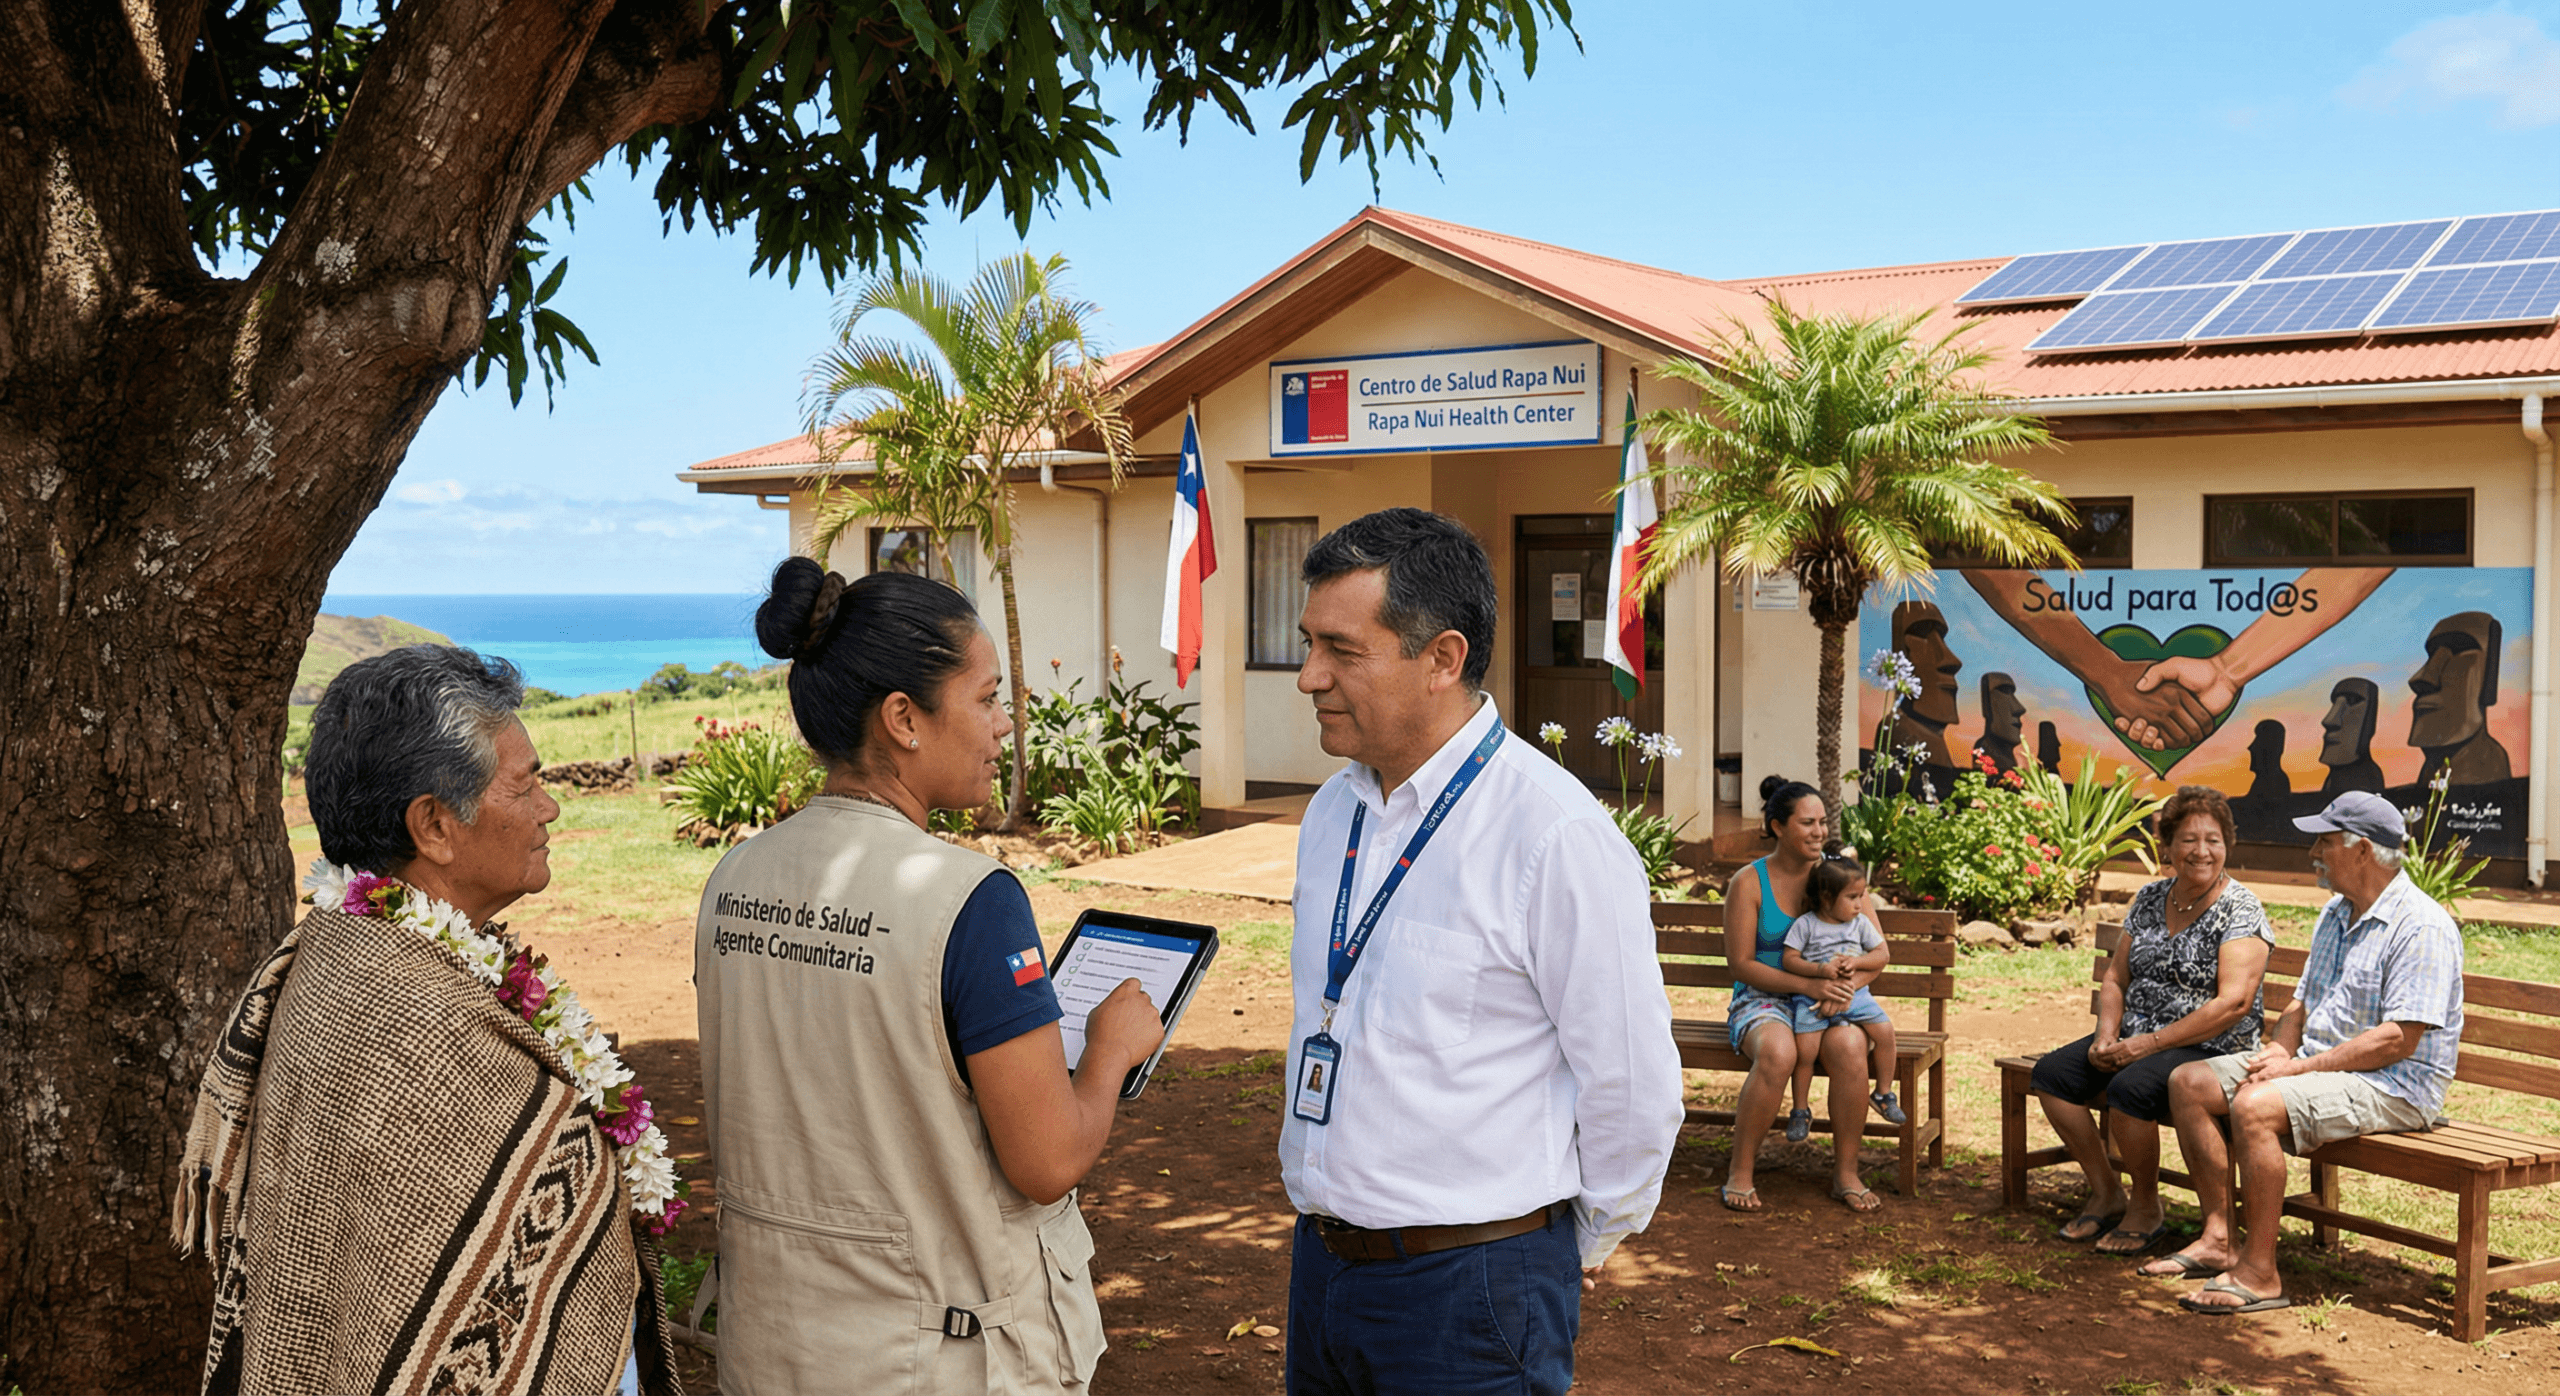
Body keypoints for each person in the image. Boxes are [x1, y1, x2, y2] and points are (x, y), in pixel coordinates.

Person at [695, 560, 1164, 1393]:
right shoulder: (969, 901)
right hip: (934, 1359)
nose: (1003, 728)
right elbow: (1048, 1159)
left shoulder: (735, 881)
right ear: (904, 719)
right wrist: (1109, 1052)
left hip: (774, 1350)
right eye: (985, 700)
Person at [176, 646, 680, 1396]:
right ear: (435, 826)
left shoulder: (339, 950)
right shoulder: (428, 1027)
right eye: (527, 783)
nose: (551, 807)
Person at [1279, 508, 1683, 1396]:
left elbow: (1631, 1082)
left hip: (1474, 1290)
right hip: (1323, 1269)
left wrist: (1576, 1241)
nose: (1310, 677)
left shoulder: (1554, 833)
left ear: (1442, 659)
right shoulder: (1332, 814)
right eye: (1309, 643)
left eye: (1342, 650)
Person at [2146, 791, 2465, 1314]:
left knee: (2255, 1105)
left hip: (2396, 1086)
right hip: (2323, 1066)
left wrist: (2295, 1069)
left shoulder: (2421, 926)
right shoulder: (2337, 912)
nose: (2314, 850)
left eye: (2325, 840)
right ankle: (2218, 1237)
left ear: (2362, 850)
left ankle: (2260, 1272)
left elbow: (2397, 1041)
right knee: (2190, 1083)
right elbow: (2302, 1001)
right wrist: (2279, 1049)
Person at [2029, 786, 2273, 1257]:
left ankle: (2145, 1205)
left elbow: (2233, 1004)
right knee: (2051, 1075)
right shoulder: (2149, 898)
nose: (2201, 851)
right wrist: (2106, 1035)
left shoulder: (2241, 909)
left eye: (2213, 840)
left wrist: (2148, 1045)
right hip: (2136, 1035)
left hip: (2210, 1046)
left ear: (2227, 845)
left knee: (2131, 1087)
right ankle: (2106, 1190)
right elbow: (2117, 976)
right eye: (2188, 839)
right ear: (2167, 846)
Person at [1721, 776, 1883, 1213]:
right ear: (1777, 827)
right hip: (1763, 998)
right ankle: (1741, 1170)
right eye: (1807, 823)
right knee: (1777, 1052)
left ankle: (1846, 1173)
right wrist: (1809, 984)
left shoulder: (1839, 876)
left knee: (1850, 1045)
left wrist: (1843, 990)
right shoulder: (1749, 882)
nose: (1819, 832)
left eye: (1823, 822)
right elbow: (1742, 964)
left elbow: (1877, 955)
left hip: (1829, 1001)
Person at [1777, 855, 1906, 1144]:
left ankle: (1883, 1093)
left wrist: (1856, 963)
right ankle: (1800, 1109)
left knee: (1885, 1032)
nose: (1860, 904)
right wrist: (1819, 970)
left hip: (1856, 996)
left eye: (1861, 896)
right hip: (1812, 999)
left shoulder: (1859, 924)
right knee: (1805, 1053)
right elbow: (1789, 959)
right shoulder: (1806, 925)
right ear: (1826, 897)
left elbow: (1880, 955)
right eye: (1852, 897)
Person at [2410, 611, 2511, 785]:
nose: (2421, 678)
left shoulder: (2490, 769)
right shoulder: (2430, 773)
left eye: (2459, 649)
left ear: (2489, 680)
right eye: (2432, 655)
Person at [2318, 678, 2385, 795]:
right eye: (2335, 703)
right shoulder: (2335, 778)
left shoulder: (2365, 778)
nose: (2328, 720)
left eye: (2352, 701)